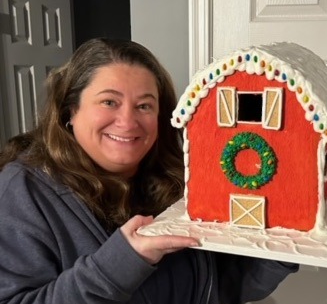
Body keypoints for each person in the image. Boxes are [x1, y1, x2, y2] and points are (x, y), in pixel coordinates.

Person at [0, 38, 298, 304]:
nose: (128, 122)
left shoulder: (176, 181)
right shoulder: (23, 190)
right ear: (70, 111)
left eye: (144, 106)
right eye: (109, 102)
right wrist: (122, 262)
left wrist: (282, 249)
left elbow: (223, 287)